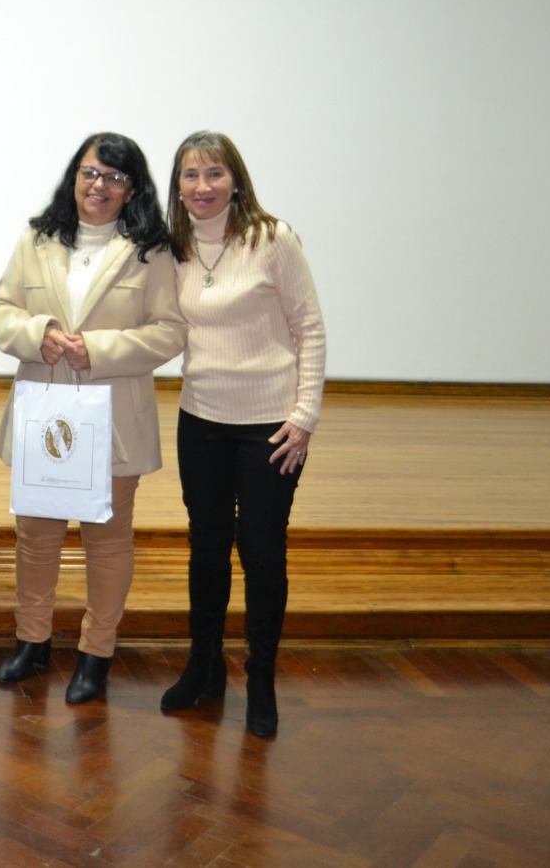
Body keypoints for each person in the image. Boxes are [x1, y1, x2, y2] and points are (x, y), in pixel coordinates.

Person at [0, 133, 185, 701]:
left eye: (115, 178)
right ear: (74, 175)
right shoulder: (38, 238)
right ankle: (33, 639)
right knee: (37, 537)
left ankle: (96, 650)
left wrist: (97, 349)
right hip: (44, 413)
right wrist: (38, 335)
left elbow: (170, 331)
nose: (99, 186)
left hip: (114, 415)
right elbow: (2, 311)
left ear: (132, 189)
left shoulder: (152, 250)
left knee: (108, 538)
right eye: (91, 173)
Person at [160, 130, 326, 738]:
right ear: (176, 186)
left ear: (236, 180)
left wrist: (304, 414)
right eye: (189, 176)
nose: (202, 188)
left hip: (270, 428)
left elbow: (309, 327)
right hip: (200, 421)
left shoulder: (272, 239)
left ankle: (261, 678)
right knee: (205, 548)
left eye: (214, 174)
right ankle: (204, 666)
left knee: (261, 552)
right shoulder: (171, 247)